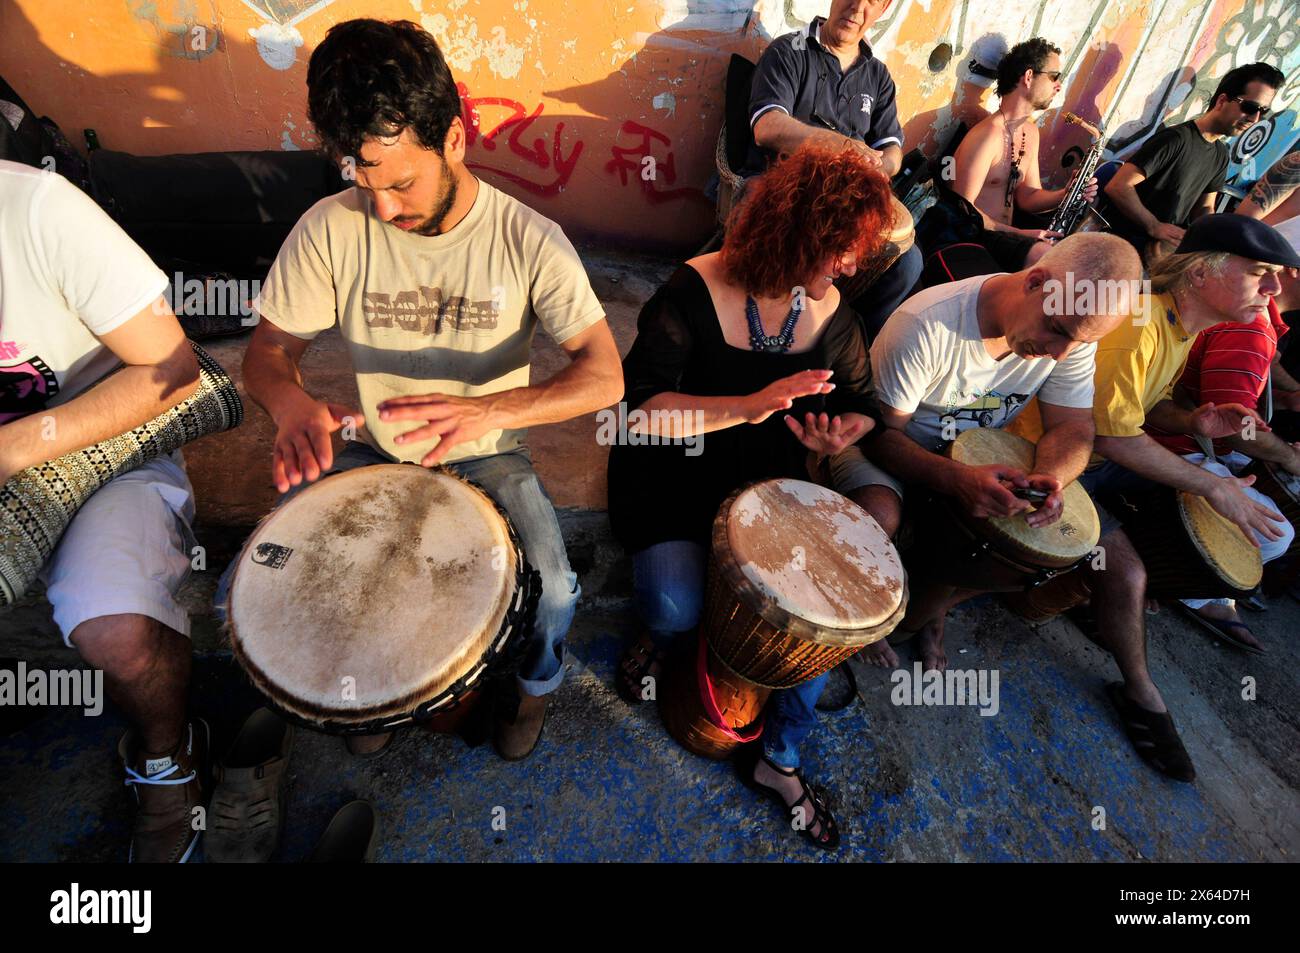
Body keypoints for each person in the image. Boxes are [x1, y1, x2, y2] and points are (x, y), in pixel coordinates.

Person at [219, 20, 622, 762]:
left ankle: (531, 697)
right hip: (374, 447)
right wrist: (291, 402)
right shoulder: (328, 230)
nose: (383, 210)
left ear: (456, 139)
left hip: (489, 456)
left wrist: (488, 409)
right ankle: (367, 693)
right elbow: (269, 351)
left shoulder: (529, 240)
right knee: (267, 579)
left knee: (558, 589)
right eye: (363, 183)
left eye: (402, 182)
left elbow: (604, 374)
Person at [607, 143, 897, 850]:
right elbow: (639, 411)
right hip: (674, 469)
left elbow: (866, 404)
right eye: (841, 250)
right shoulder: (691, 291)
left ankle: (780, 758)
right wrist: (750, 402)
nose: (851, 267)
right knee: (674, 605)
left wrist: (841, 431)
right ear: (798, 235)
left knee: (815, 617)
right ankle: (668, 638)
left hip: (771, 483)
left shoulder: (832, 313)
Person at [1014, 215, 1297, 780]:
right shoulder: (1140, 323)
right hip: (1052, 461)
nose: (1273, 290)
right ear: (1200, 273)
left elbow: (1145, 409)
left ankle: (1077, 595)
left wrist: (1193, 418)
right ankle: (1142, 695)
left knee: (1230, 521)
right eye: (1260, 274)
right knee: (1133, 571)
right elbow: (1116, 437)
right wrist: (1213, 483)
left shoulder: (1180, 325)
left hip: (1099, 460)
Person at [0, 160, 205, 862]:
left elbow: (172, 369)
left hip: (100, 450)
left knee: (115, 628)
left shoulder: (35, 210)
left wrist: (17, 446)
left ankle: (166, 758)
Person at [847, 233, 1139, 674]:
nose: (1060, 354)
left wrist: (1051, 477)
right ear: (1036, 281)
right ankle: (859, 606)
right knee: (879, 514)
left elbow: (1074, 426)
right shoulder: (928, 324)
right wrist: (956, 480)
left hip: (972, 458)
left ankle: (929, 604)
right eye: (1057, 331)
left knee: (1039, 539)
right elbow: (880, 437)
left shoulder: (1073, 330)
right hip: (895, 449)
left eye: (1076, 343)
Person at [741, 0, 923, 338]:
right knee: (806, 242)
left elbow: (892, 149)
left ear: (883, 9)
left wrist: (880, 166)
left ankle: (845, 342)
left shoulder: (878, 75)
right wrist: (845, 147)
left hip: (845, 201)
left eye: (870, 1)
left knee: (907, 263)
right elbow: (767, 127)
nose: (856, 9)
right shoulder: (789, 51)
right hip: (786, 186)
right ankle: (770, 337)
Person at [1144, 277, 1298, 649]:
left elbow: (1265, 362)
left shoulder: (1261, 323)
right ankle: (1178, 583)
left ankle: (1223, 576)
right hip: (1162, 440)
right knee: (1279, 536)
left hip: (1178, 427)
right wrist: (1291, 457)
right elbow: (1232, 432)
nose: (1271, 283)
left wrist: (1291, 389)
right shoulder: (1252, 326)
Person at [917, 38, 1096, 278]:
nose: (1059, 86)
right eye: (1054, 76)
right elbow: (962, 211)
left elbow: (1028, 195)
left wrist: (1066, 193)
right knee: (1043, 257)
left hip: (1005, 236)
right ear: (1029, 76)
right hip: (977, 235)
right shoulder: (987, 135)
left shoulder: (1030, 132)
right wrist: (1020, 233)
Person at [1103, 63, 1284, 262]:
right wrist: (1154, 226)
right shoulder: (1175, 139)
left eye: (1263, 112)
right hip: (1122, 249)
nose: (1255, 118)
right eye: (1250, 107)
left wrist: (1214, 241)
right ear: (1222, 100)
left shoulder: (1220, 154)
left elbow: (1204, 208)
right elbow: (1118, 186)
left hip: (1160, 254)